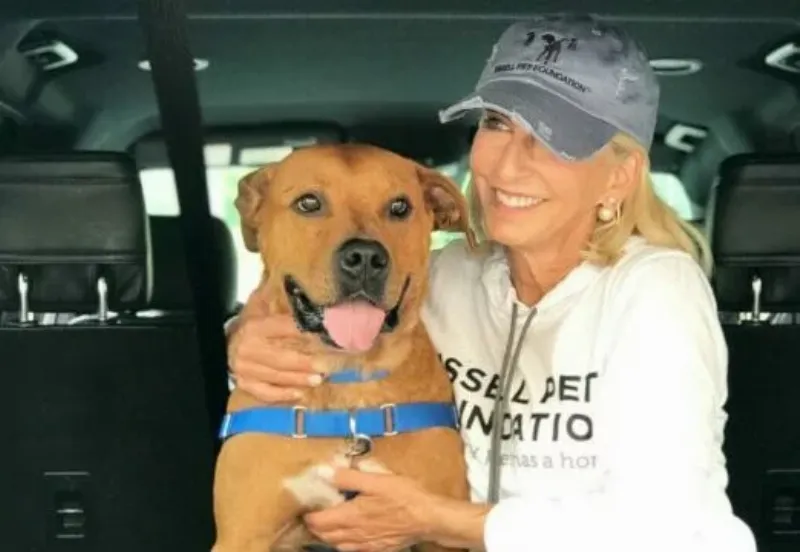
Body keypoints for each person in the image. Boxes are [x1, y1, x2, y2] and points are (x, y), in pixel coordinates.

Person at [226, 13, 757, 552]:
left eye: (557, 139)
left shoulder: (655, 290)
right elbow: (317, 296)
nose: (509, 164)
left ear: (618, 176)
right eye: (498, 124)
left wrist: (438, 519)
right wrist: (244, 336)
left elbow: (666, 527)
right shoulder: (453, 275)